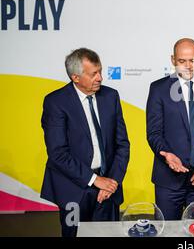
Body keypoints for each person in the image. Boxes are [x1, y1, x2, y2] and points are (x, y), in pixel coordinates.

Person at [40, 48, 130, 237]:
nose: (100, 78)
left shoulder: (110, 96)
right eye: (93, 74)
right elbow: (58, 153)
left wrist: (111, 182)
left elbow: (122, 144)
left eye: (100, 71)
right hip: (73, 190)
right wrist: (95, 180)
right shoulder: (56, 102)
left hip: (108, 188)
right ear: (76, 77)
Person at [146, 38, 194, 220]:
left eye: (192, 61)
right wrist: (165, 153)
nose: (188, 66)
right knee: (166, 232)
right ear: (173, 60)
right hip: (168, 180)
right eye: (182, 61)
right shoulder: (158, 89)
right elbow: (154, 133)